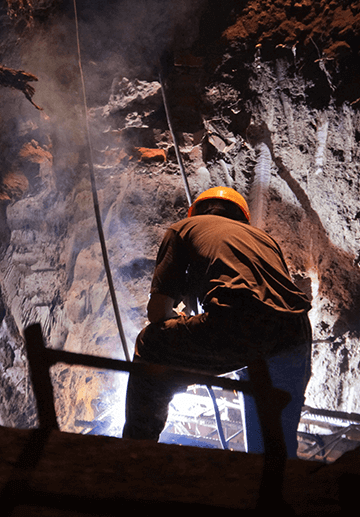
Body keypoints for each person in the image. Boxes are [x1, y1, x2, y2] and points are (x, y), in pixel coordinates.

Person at [122, 186, 312, 457]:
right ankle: (272, 489)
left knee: (150, 343)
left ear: (197, 211)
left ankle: (133, 452)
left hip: (237, 321)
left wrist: (179, 326)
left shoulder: (184, 228)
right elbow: (269, 304)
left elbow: (157, 312)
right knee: (275, 444)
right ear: (241, 218)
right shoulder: (264, 239)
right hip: (297, 332)